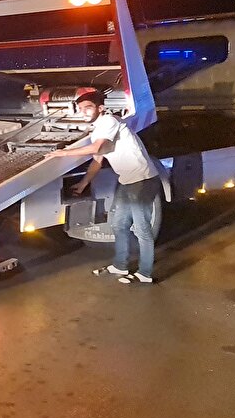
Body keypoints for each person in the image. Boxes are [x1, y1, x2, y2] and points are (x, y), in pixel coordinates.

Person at [45, 91, 162, 285]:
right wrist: (83, 183)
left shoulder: (109, 121)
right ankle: (120, 265)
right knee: (118, 224)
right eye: (81, 109)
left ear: (100, 108)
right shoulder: (98, 129)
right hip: (127, 181)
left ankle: (145, 273)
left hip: (142, 180)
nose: (83, 112)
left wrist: (63, 153)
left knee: (142, 229)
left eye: (88, 107)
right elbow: (97, 161)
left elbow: (98, 149)